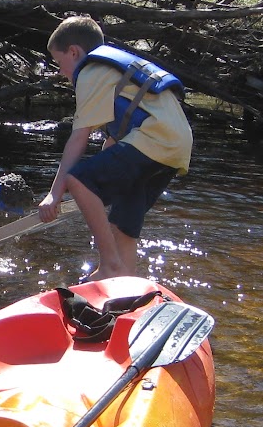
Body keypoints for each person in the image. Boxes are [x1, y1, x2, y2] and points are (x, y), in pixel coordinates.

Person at [39, 16, 192, 281]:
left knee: (78, 179)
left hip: (153, 139)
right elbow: (116, 141)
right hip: (175, 146)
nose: (61, 72)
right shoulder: (114, 72)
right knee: (122, 221)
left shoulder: (89, 71)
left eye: (59, 63)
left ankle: (109, 266)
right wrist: (98, 185)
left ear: (74, 52)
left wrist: (55, 194)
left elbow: (79, 138)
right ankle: (125, 280)